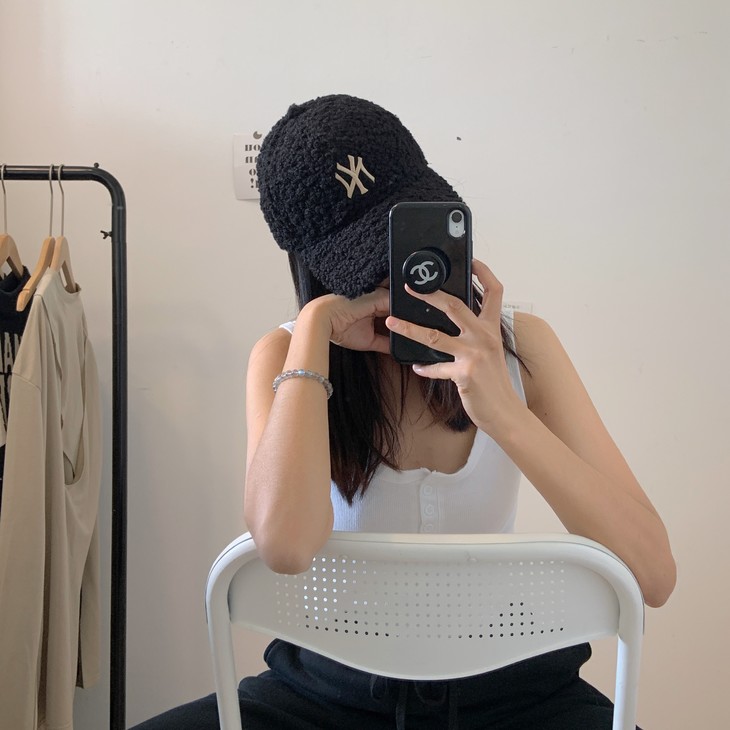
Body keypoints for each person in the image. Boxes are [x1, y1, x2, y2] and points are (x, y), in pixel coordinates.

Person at [133, 94, 675, 729]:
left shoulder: (524, 347)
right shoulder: (284, 355)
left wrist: (503, 413)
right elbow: (284, 545)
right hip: (328, 691)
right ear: (314, 266)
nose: (399, 272)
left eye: (403, 233)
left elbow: (652, 574)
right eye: (367, 256)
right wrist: (314, 331)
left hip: (515, 690)